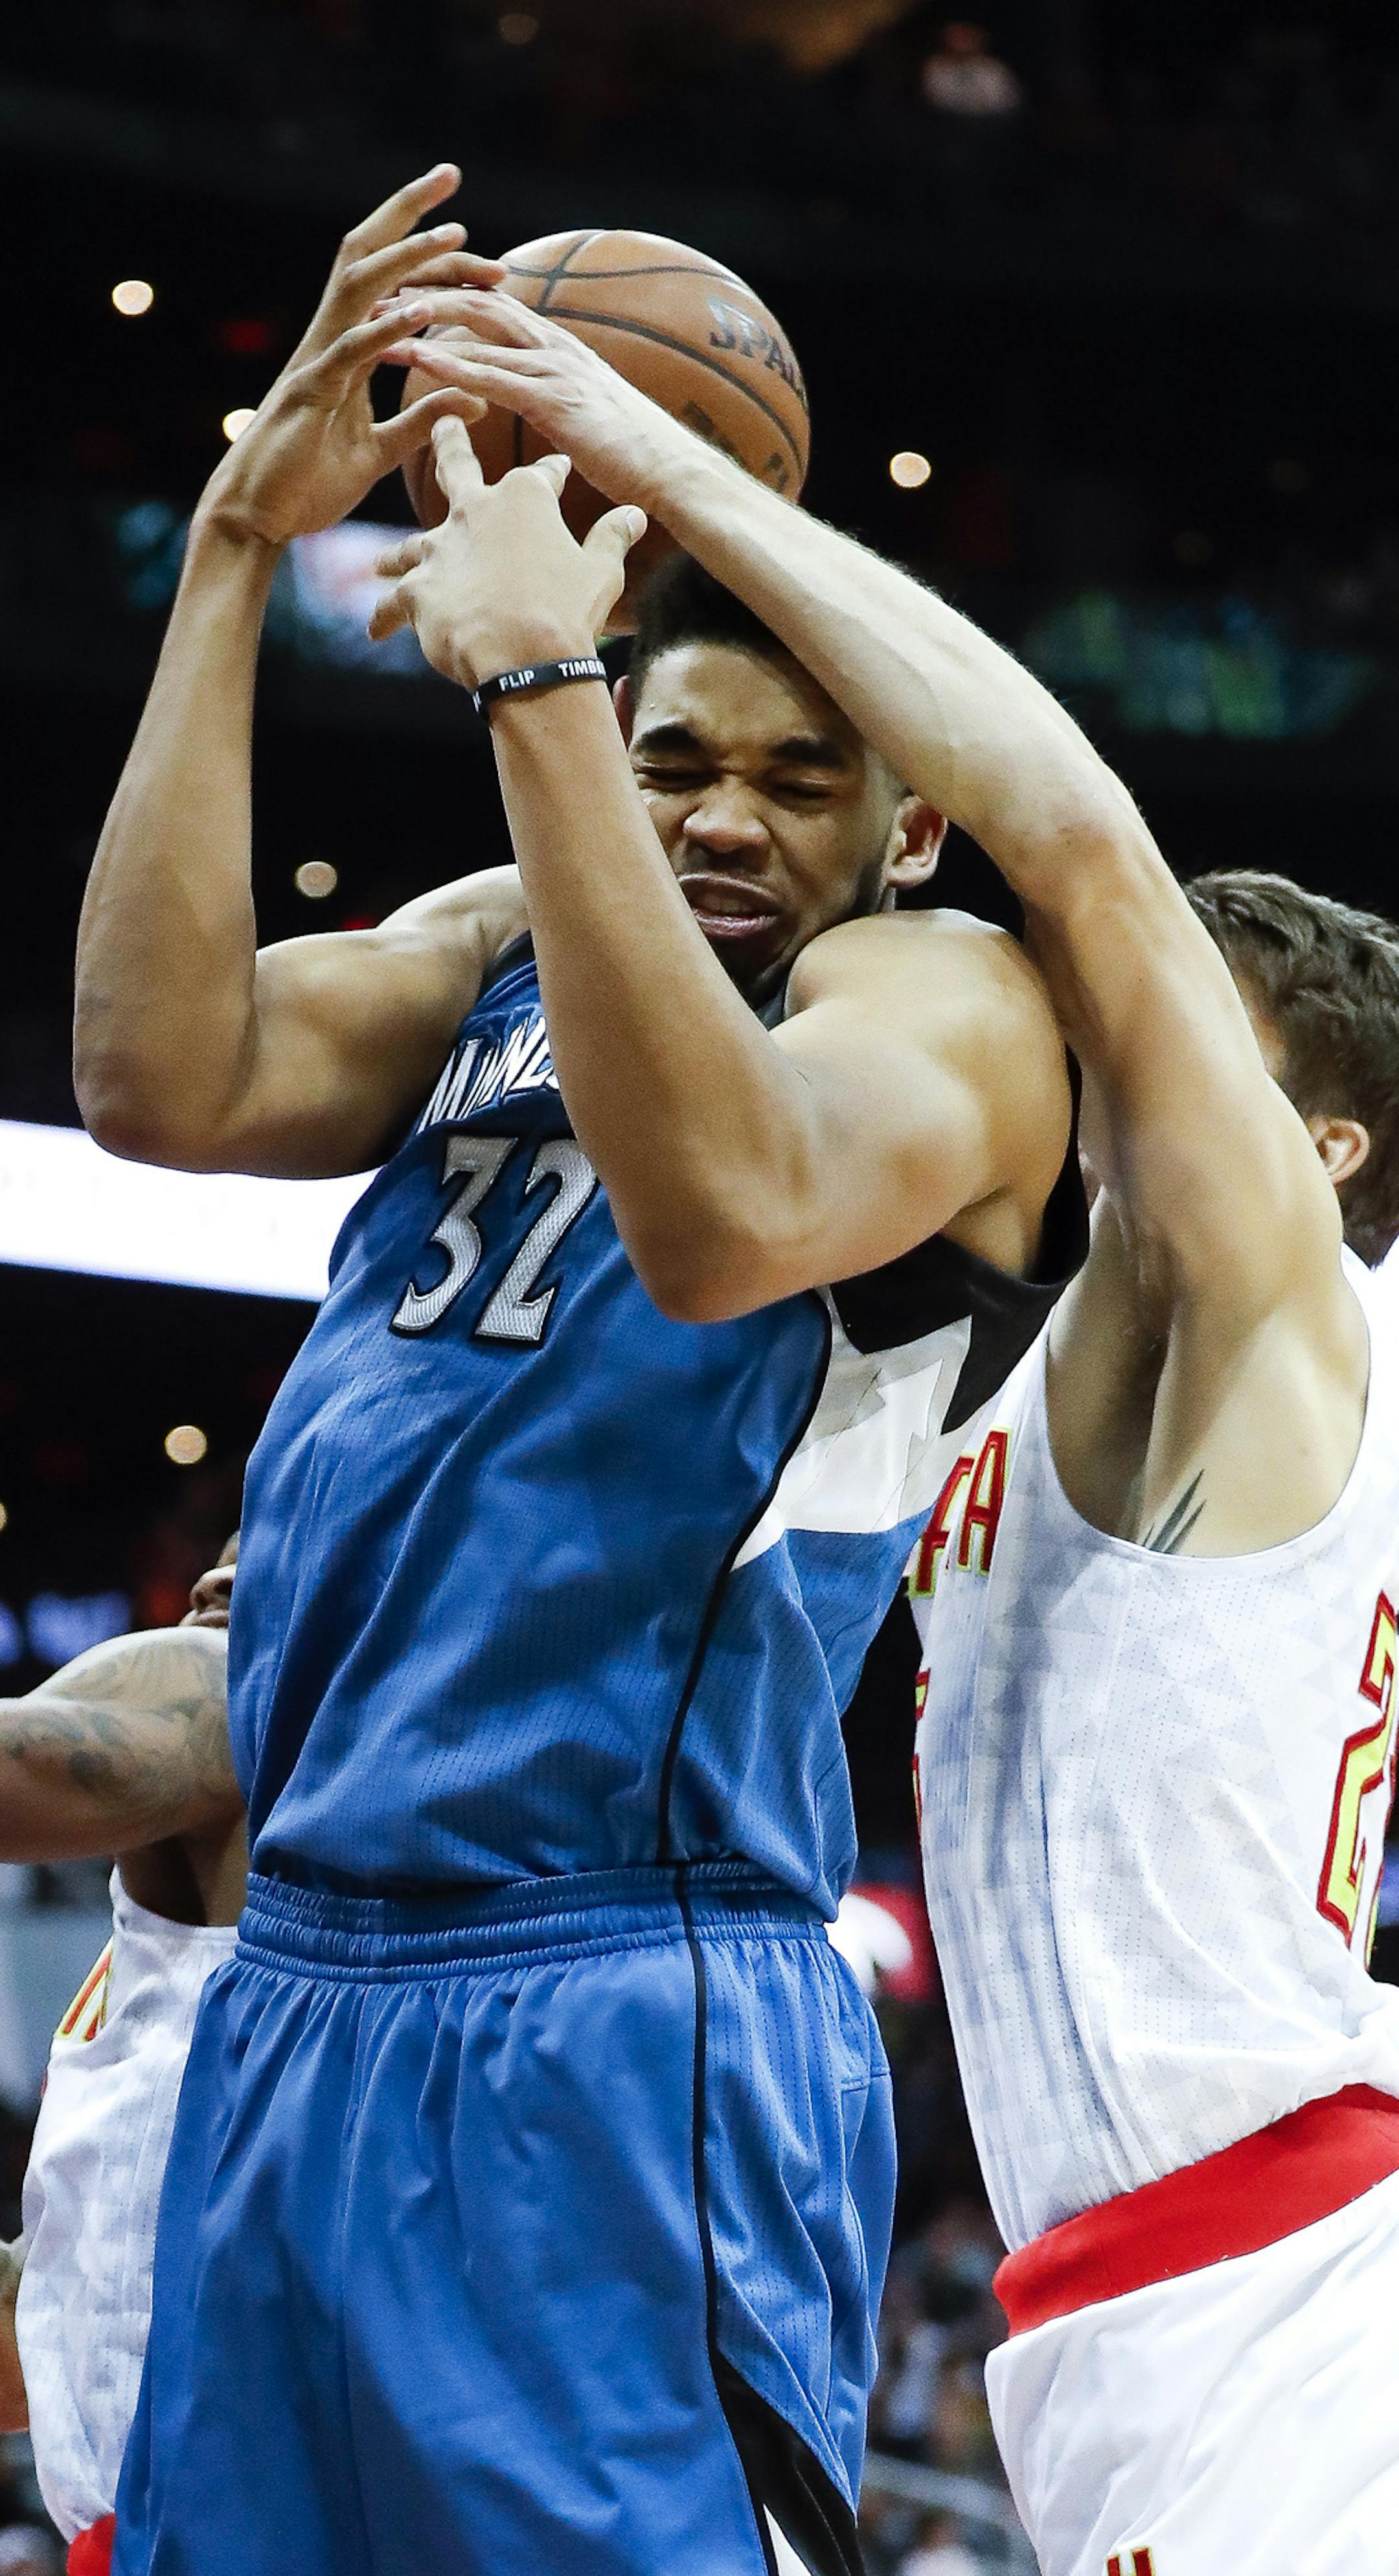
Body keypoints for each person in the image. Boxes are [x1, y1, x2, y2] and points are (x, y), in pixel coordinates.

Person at [70, 164, 1174, 2576]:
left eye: (801, 782)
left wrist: (557, 690)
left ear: (903, 832)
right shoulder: (495, 945)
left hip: (621, 1999)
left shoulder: (949, 1013)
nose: (724, 819)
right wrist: (239, 551)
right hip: (301, 1980)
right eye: (689, 761)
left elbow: (729, 1217)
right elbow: (159, 1078)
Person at [900, 856, 1399, 2570]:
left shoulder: (1299, 1323)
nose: (1134, 1059)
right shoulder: (1052, 1359)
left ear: (1322, 1156)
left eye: (1196, 1041)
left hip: (1282, 2271)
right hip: (1135, 2292)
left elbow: (1072, 840)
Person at [0, 1544, 243, 2576]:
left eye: (283, 1517)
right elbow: (50, 2333)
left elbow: (22, 1763)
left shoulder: (243, 1687)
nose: (218, 1573)